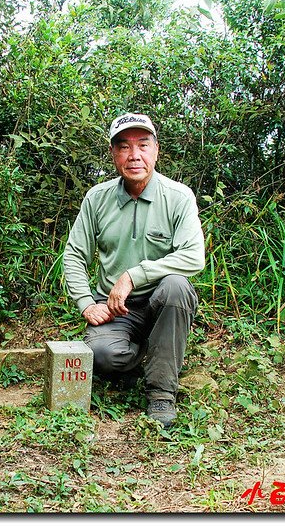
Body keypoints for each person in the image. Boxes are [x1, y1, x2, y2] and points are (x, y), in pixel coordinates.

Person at [62, 112, 205, 427]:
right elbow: (74, 254)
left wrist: (133, 275)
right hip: (116, 310)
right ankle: (153, 352)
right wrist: (86, 303)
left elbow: (194, 257)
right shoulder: (97, 198)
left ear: (156, 150)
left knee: (177, 287)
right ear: (114, 154)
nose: (134, 155)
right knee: (100, 356)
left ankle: (162, 394)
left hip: (160, 304)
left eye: (143, 145)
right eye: (124, 147)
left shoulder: (178, 197)